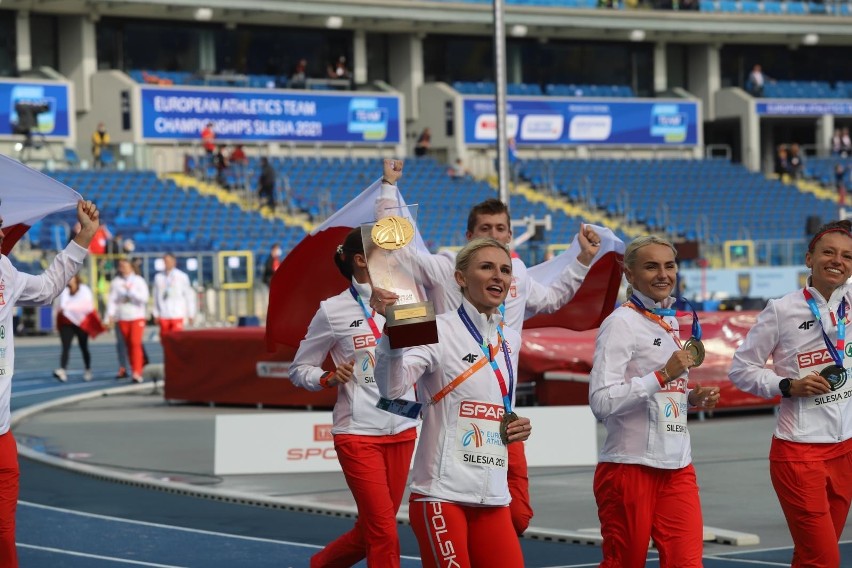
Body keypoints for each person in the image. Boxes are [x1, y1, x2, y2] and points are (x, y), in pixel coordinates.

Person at [374, 158, 603, 535]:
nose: (494, 235)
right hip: (450, 389)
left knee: (517, 516)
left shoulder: (519, 274)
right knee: (459, 501)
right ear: (469, 237)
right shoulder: (446, 267)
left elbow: (554, 298)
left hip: (501, 407)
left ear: (511, 236)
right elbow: (394, 252)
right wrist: (388, 187)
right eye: (485, 229)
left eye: (500, 229)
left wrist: (582, 259)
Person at [373, 237, 532, 567]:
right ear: (460, 278)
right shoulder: (430, 324)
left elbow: (496, 401)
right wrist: (391, 336)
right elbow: (391, 388)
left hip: (493, 494)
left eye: (505, 270)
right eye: (486, 267)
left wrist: (515, 423)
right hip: (441, 493)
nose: (498, 276)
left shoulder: (510, 339)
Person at [289, 228, 419, 567]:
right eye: (385, 252)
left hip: (403, 428)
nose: (395, 258)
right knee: (385, 532)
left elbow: (428, 357)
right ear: (361, 260)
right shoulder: (332, 310)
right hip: (358, 434)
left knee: (372, 530)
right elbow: (299, 368)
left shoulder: (409, 299)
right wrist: (326, 377)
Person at [589, 235, 719, 568]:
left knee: (687, 563)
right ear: (630, 275)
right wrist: (662, 375)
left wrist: (691, 397)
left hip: (677, 466)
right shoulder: (620, 324)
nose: (663, 274)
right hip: (629, 467)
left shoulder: (670, 321)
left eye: (669, 265)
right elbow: (601, 401)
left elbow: (661, 393)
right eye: (651, 266)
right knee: (624, 563)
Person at [729, 219, 852, 568]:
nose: (837, 261)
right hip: (800, 454)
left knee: (811, 556)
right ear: (808, 258)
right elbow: (740, 370)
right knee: (824, 559)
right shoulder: (782, 310)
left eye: (846, 256)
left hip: (846, 451)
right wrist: (787, 385)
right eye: (828, 252)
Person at [0, 199, 99, 567]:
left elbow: (44, 288)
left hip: (2, 437)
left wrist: (83, 238)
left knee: (5, 538)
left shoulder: (3, 270)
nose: (2, 229)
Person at [106, 258, 149, 383]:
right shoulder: (116, 282)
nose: (122, 268)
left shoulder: (139, 281)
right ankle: (132, 368)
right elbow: (112, 300)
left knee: (135, 343)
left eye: (125, 265)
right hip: (122, 317)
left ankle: (137, 372)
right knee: (127, 345)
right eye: (121, 265)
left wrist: (131, 292)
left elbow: (144, 298)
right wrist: (110, 314)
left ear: (131, 267)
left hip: (136, 316)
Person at [53, 274, 100, 383]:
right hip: (67, 322)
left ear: (76, 278)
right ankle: (62, 370)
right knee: (65, 347)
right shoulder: (63, 291)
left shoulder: (84, 290)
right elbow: (59, 307)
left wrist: (71, 307)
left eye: (72, 277)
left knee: (83, 347)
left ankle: (88, 369)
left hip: (81, 322)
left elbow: (88, 305)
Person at [152, 253, 196, 336]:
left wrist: (191, 314)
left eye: (169, 261)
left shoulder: (182, 276)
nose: (167, 263)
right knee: (165, 340)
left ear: (174, 262)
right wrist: (155, 313)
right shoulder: (158, 277)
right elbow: (155, 296)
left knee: (177, 340)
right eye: (165, 261)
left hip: (177, 314)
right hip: (163, 313)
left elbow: (189, 296)